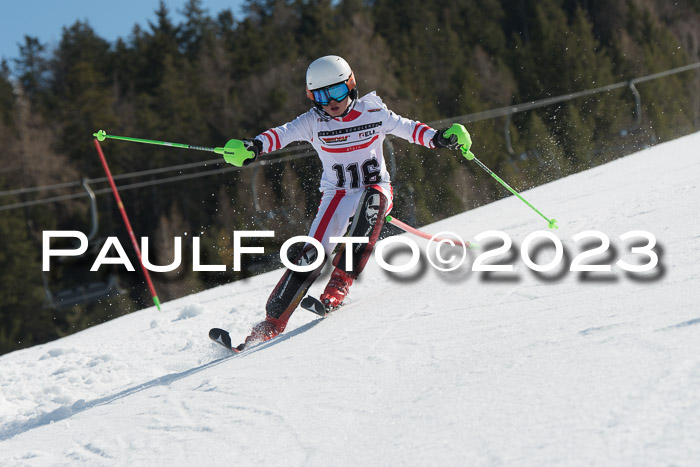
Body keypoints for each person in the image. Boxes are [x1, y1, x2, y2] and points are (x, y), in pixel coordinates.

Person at [227, 55, 462, 350]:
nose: (331, 102)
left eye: (336, 92)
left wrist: (440, 138)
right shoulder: (313, 121)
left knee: (372, 203)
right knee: (311, 253)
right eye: (321, 96)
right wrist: (254, 146)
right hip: (337, 194)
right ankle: (270, 323)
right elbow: (281, 134)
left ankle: (341, 280)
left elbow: (411, 129)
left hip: (375, 187)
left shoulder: (373, 112)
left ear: (350, 86)